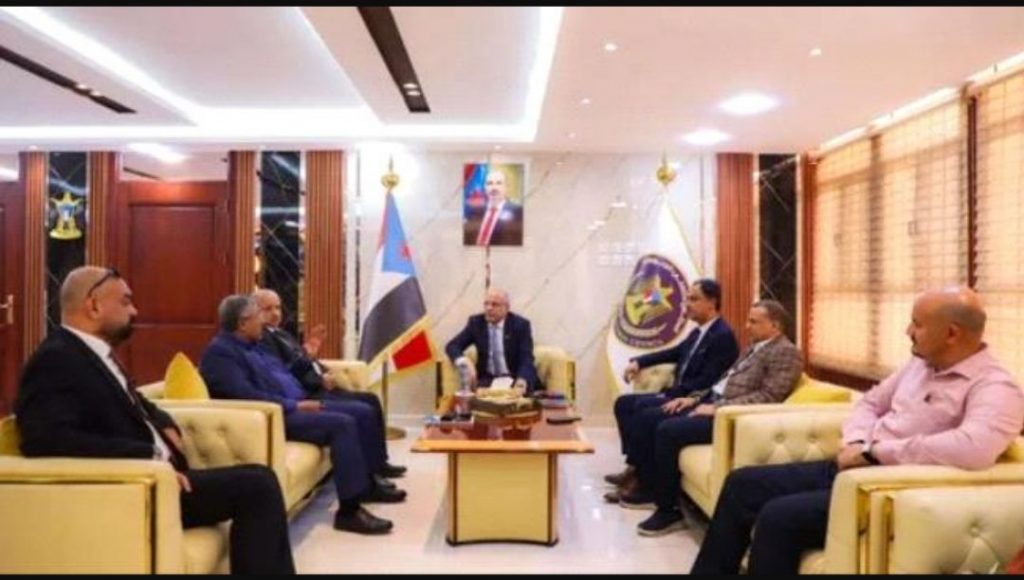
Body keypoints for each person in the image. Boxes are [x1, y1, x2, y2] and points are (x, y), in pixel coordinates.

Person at [691, 287, 1024, 574]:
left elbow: (973, 448)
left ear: (952, 334)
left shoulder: (995, 387)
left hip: (886, 489)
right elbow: (870, 403)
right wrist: (857, 442)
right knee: (742, 483)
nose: (908, 330)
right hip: (853, 462)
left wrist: (873, 453)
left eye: (918, 324)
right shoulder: (919, 364)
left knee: (778, 517)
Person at [15, 266, 295, 574]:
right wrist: (147, 458)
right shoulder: (55, 359)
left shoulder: (89, 352)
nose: (134, 311)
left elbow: (134, 401)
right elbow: (46, 440)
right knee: (257, 486)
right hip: (136, 488)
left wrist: (164, 421)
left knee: (259, 477)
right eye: (125, 302)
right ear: (94, 306)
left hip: (160, 478)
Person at [199, 294, 405, 535]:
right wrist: (294, 405)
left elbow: (284, 373)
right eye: (258, 316)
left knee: (359, 411)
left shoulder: (254, 345)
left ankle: (366, 485)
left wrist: (308, 363)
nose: (263, 322)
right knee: (343, 424)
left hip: (298, 403)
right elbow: (246, 395)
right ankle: (349, 512)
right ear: (242, 323)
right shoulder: (220, 354)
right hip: (277, 415)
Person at [629, 300, 803, 535]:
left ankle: (668, 510)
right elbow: (721, 383)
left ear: (775, 325)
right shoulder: (755, 347)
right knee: (653, 416)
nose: (747, 326)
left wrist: (718, 407)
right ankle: (650, 486)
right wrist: (692, 399)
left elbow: (769, 396)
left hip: (730, 418)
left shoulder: (786, 352)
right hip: (711, 403)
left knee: (667, 430)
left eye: (753, 322)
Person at [605, 279, 739, 499]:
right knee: (624, 404)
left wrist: (675, 393)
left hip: (693, 398)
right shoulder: (698, 332)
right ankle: (635, 467)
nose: (687, 304)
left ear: (711, 302)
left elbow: (709, 380)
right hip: (678, 393)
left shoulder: (722, 336)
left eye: (693, 299)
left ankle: (644, 482)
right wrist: (640, 361)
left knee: (644, 411)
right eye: (687, 298)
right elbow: (673, 353)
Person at [253, 288, 406, 479]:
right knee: (363, 408)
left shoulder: (281, 333)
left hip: (318, 385)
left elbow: (303, 360)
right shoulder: (262, 338)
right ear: (254, 311)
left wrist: (322, 368)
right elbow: (285, 372)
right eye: (268, 309)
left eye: (277, 308)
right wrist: (317, 375)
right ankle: (372, 470)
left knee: (370, 400)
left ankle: (379, 462)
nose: (275, 313)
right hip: (310, 393)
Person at [445, 288, 540, 393]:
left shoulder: (520, 325)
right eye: (486, 304)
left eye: (495, 305)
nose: (489, 308)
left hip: (515, 378)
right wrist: (463, 361)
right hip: (487, 380)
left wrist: (522, 379)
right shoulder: (476, 323)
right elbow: (452, 345)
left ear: (506, 308)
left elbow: (526, 358)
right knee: (474, 399)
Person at [463, 168, 524, 246]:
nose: (494, 187)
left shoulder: (518, 212)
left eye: (499, 183)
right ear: (485, 187)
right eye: (490, 183)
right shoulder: (476, 210)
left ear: (506, 187)